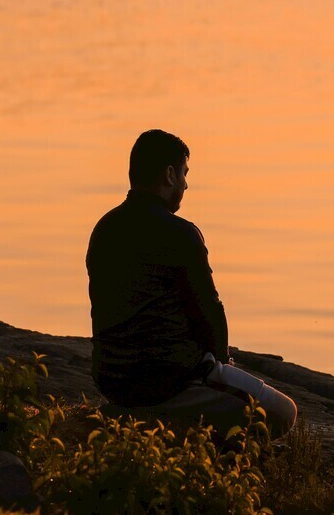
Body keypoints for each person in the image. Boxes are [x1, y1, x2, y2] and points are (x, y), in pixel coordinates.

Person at [86, 129, 298, 437]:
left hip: (113, 380)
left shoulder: (104, 228)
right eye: (184, 174)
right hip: (171, 381)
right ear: (170, 175)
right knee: (283, 412)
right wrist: (220, 362)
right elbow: (208, 310)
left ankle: (142, 416)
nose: (186, 184)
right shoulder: (179, 233)